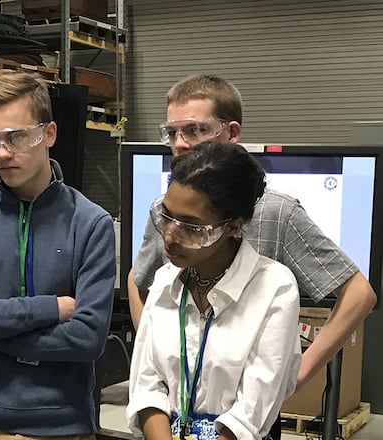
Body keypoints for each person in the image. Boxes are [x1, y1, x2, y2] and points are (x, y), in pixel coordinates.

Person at [128, 74, 376, 393]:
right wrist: (150, 356)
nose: (180, 143)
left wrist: (298, 374)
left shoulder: (275, 212)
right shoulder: (163, 209)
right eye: (172, 133)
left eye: (194, 130)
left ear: (232, 132)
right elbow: (138, 279)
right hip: (178, 397)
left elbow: (358, 294)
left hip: (247, 399)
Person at [0, 70, 117, 439]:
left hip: (62, 427)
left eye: (16, 137)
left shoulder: (90, 223)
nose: (1, 153)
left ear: (49, 134)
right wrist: (51, 309)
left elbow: (87, 338)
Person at [127, 141, 301, 440]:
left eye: (191, 227)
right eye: (166, 217)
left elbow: (251, 412)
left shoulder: (273, 288)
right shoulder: (166, 281)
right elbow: (147, 386)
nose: (169, 237)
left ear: (233, 227)